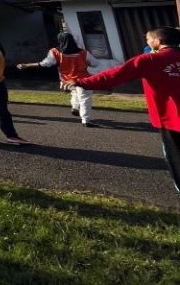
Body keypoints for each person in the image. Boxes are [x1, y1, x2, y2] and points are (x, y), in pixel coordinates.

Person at [63, 26, 180, 193]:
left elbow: (116, 75)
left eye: (148, 39)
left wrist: (81, 82)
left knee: (175, 157)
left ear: (157, 42)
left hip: (171, 120)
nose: (146, 42)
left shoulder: (149, 60)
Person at [17, 32, 98, 126]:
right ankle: (86, 120)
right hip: (83, 80)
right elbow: (95, 63)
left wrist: (27, 65)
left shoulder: (55, 51)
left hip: (67, 81)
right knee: (85, 99)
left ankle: (75, 107)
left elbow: (45, 63)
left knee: (75, 92)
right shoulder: (83, 52)